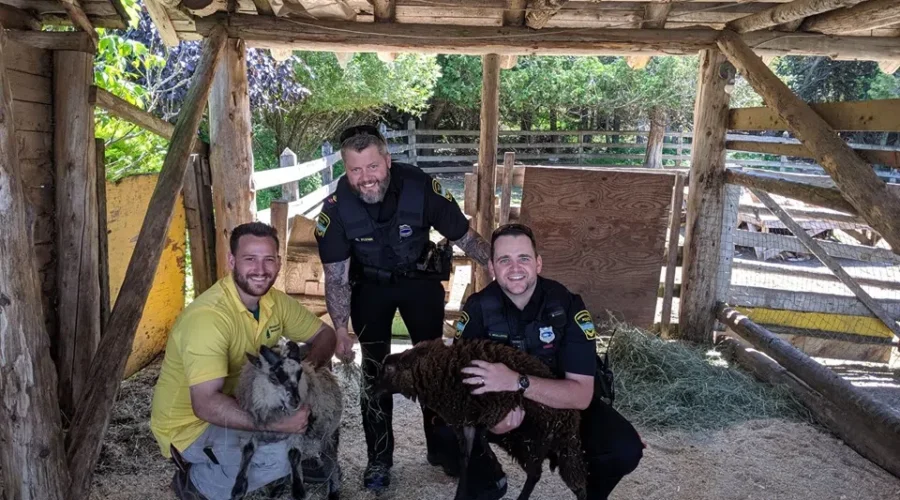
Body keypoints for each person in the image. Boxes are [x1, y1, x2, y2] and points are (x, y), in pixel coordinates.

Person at [314, 124, 503, 497]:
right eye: (356, 170)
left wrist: (497, 266)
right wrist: (339, 328)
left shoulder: (419, 186)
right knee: (374, 374)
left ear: (387, 160)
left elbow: (464, 236)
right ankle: (380, 459)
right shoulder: (336, 209)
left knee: (434, 369)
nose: (365, 178)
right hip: (369, 288)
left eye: (372, 167)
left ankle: (442, 448)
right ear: (345, 169)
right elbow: (336, 277)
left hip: (419, 283)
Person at [150, 222, 347, 500]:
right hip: (191, 426)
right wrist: (275, 424)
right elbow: (204, 404)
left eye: (268, 259)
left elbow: (325, 336)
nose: (260, 269)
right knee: (282, 453)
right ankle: (195, 484)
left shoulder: (273, 302)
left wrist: (301, 376)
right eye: (249, 259)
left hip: (242, 404)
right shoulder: (208, 319)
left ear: (279, 262)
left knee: (301, 426)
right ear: (232, 261)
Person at [456, 223, 644, 499]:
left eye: (524, 258)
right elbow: (462, 385)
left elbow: (580, 395)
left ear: (538, 263)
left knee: (624, 448)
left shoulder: (566, 305)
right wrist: (492, 418)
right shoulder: (477, 309)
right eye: (504, 260)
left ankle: (588, 492)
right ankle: (488, 479)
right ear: (492, 269)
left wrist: (516, 382)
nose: (515, 267)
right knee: (447, 421)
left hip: (563, 406)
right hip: (505, 412)